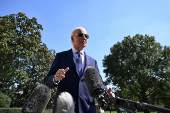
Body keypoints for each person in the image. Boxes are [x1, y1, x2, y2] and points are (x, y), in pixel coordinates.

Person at [43, 27, 114, 113]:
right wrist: (55, 78)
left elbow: (99, 83)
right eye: (80, 35)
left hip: (87, 109)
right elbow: (46, 82)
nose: (84, 37)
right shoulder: (61, 57)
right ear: (72, 38)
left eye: (86, 36)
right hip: (65, 109)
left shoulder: (93, 61)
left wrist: (107, 93)